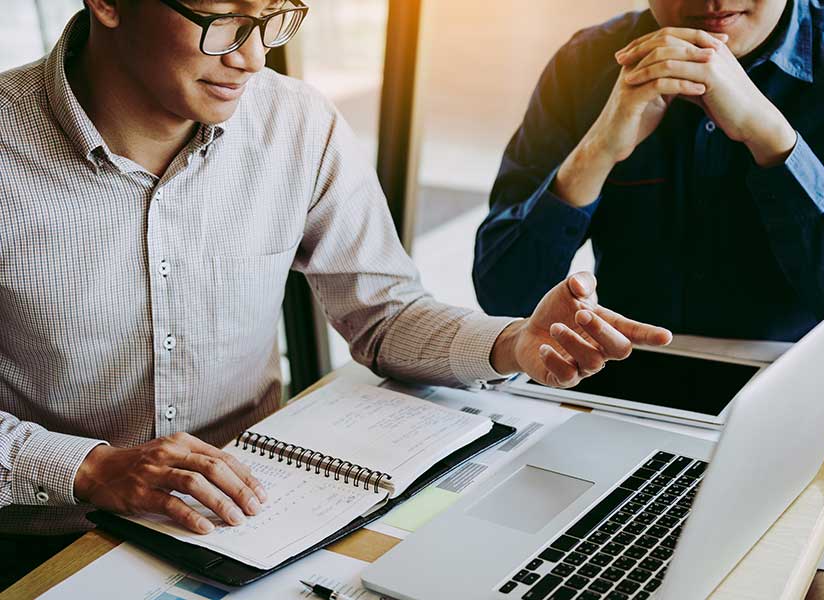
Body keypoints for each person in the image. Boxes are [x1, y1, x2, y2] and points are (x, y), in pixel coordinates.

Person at [0, 0, 676, 590]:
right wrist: (90, 468)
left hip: (251, 524)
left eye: (271, 20)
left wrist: (512, 342)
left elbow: (386, 316)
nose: (253, 59)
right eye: (223, 21)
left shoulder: (294, 126)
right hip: (46, 541)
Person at [473, 0, 824, 598]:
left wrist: (770, 137)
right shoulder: (585, 63)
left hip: (815, 430)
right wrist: (598, 150)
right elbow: (502, 300)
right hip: (617, 411)